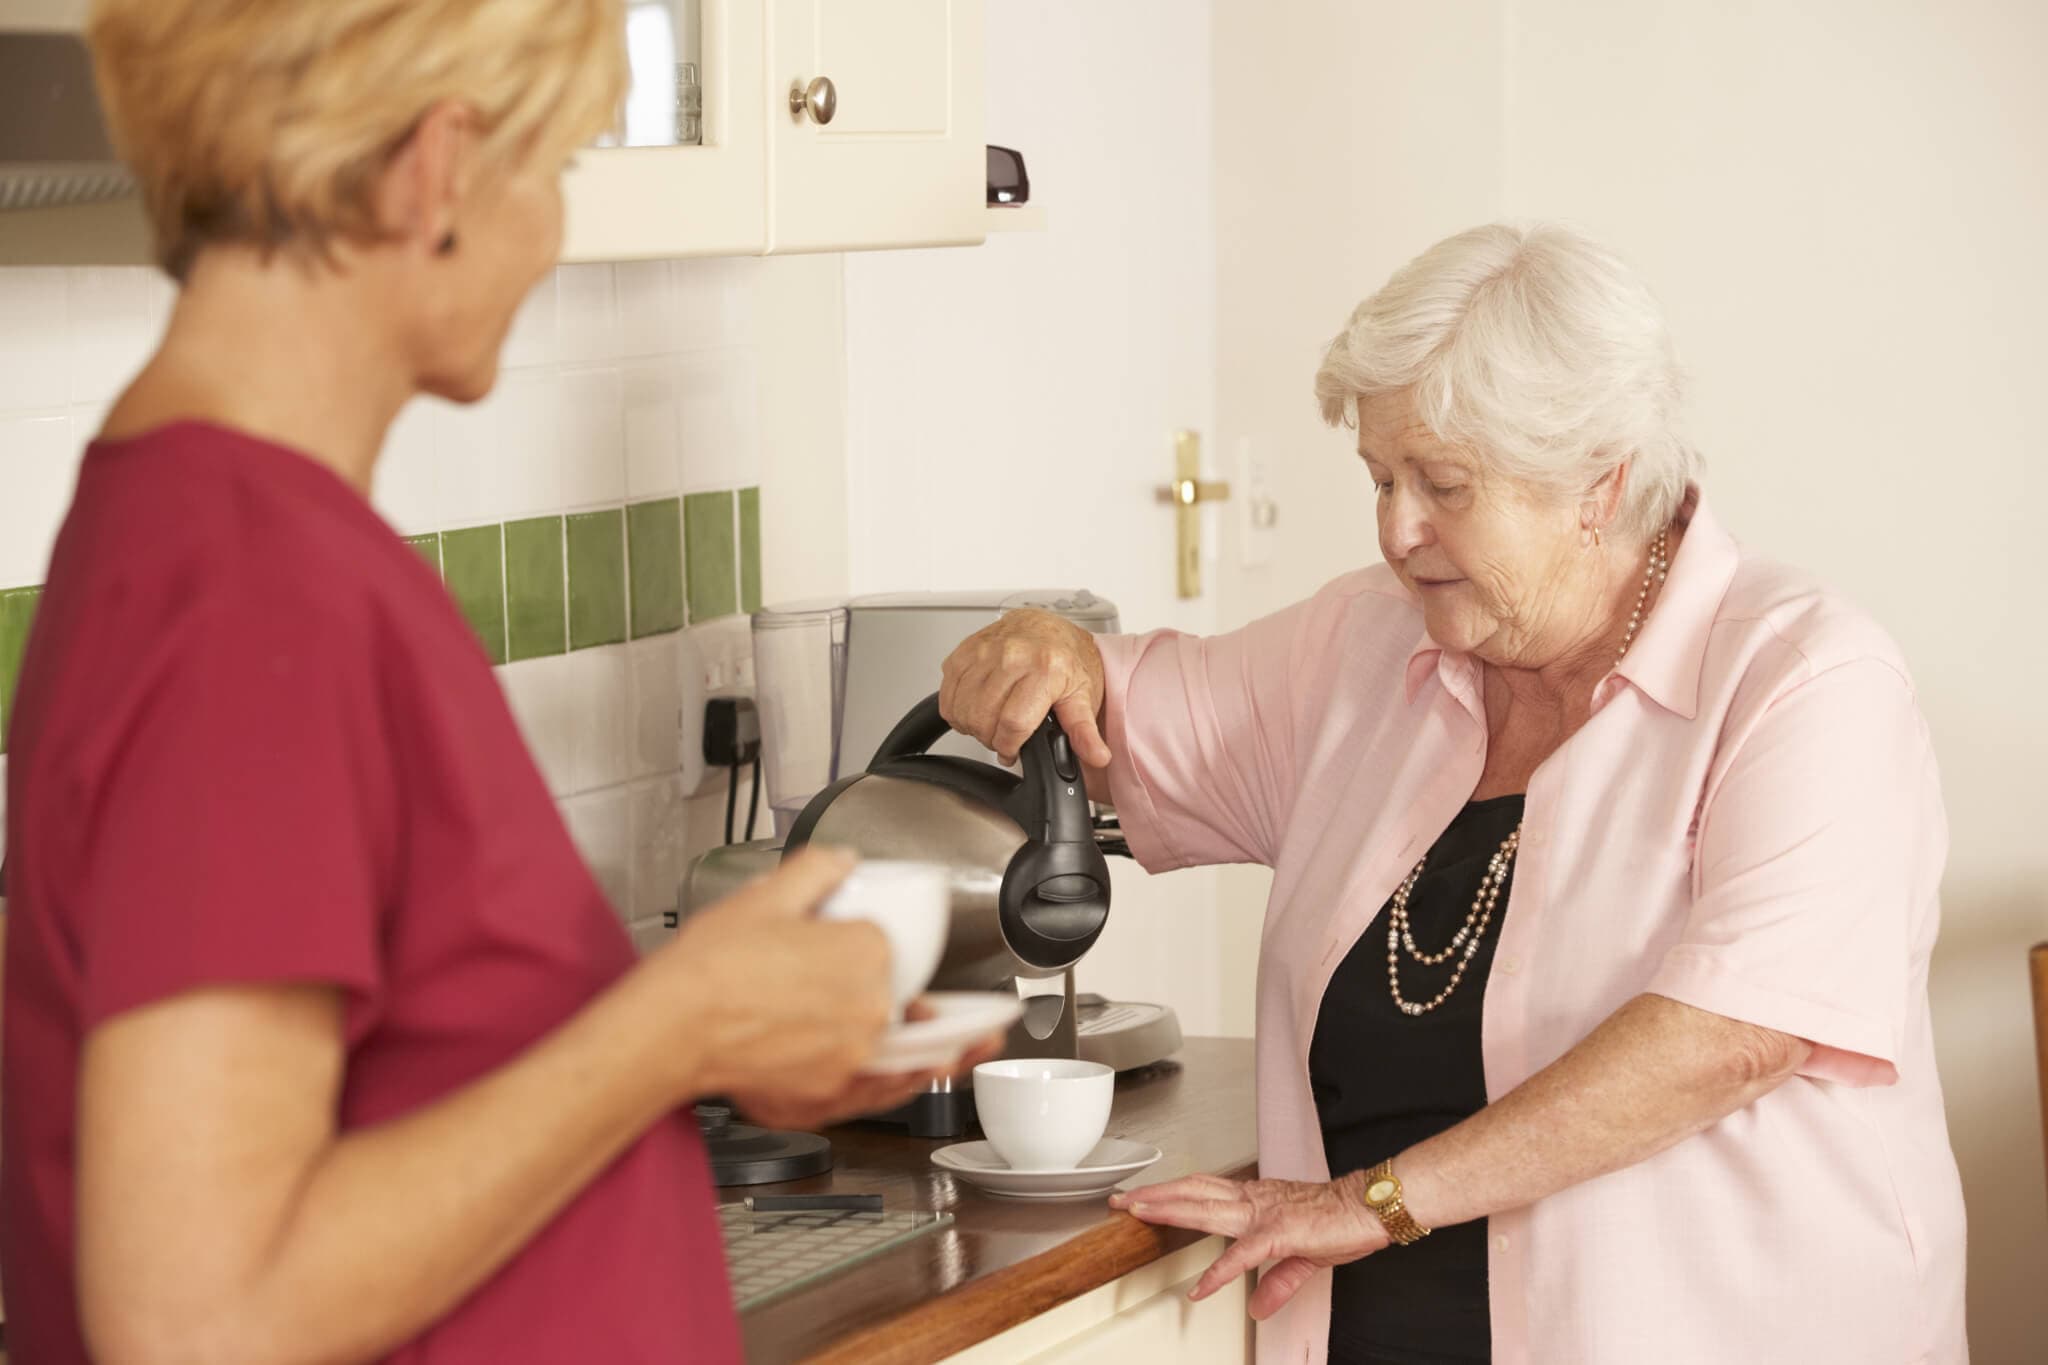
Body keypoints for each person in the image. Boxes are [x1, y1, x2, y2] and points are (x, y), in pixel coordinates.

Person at [0, 3, 986, 1362]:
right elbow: (197, 1320)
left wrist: (713, 1033)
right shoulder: (246, 585)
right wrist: (675, 1024)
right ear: (437, 169)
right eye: (555, 164)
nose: (551, 230)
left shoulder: (219, 533)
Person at [940, 222, 1966, 1364]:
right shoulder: (1363, 647)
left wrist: (1365, 1204)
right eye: (1379, 478)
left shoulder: (1803, 679)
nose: (1394, 530)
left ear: (1598, 486)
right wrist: (1054, 647)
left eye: (1442, 486)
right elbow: (1114, 718)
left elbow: (1727, 1038)